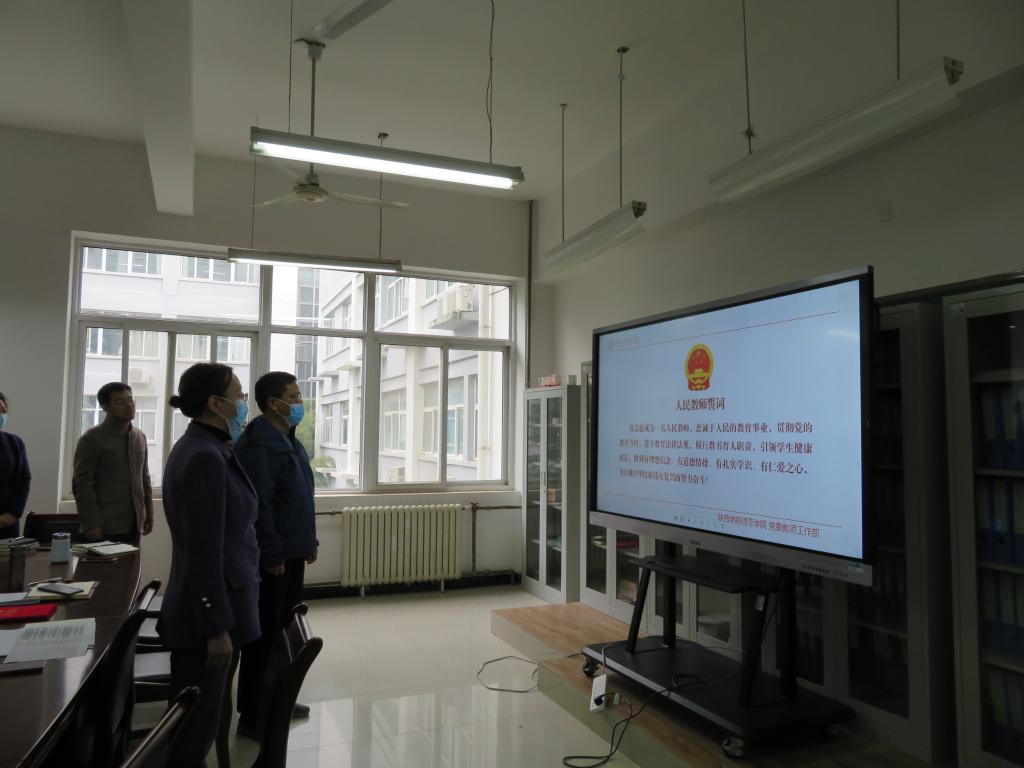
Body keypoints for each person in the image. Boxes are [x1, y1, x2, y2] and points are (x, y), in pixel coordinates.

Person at [158, 363, 260, 768]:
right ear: (216, 403)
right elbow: (204, 550)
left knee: (205, 714)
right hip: (210, 618)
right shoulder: (204, 456)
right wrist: (215, 625)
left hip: (217, 605)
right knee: (193, 731)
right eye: (238, 395)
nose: (243, 402)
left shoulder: (208, 447)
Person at [234, 371, 318, 737]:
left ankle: (279, 699)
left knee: (282, 633)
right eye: (294, 397)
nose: (300, 403)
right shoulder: (259, 446)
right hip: (275, 558)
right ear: (273, 403)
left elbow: (298, 497)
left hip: (293, 550)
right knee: (264, 637)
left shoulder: (288, 439)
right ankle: (254, 714)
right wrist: (272, 555)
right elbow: (260, 508)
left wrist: (309, 542)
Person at [72, 382, 154, 545]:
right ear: (105, 407)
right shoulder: (91, 439)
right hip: (105, 526)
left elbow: (144, 479)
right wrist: (91, 522)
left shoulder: (139, 437)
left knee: (132, 562)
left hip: (134, 524)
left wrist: (149, 513)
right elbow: (82, 484)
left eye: (130, 400)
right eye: (120, 402)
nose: (129, 406)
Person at [0, 392, 31, 539]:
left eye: (3, 411)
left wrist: (12, 514)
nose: (1, 415)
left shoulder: (14, 443)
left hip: (6, 524)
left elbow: (24, 479)